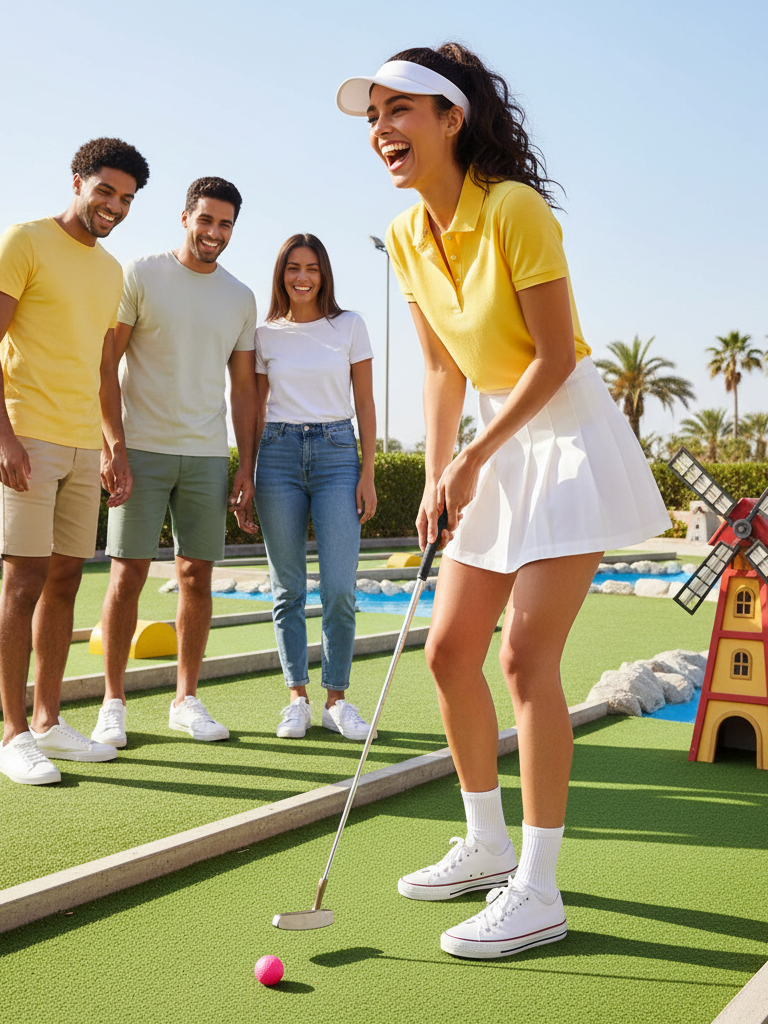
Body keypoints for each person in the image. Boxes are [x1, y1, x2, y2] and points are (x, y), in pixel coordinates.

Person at [337, 44, 670, 958]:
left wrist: (473, 456)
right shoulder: (406, 235)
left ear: (452, 119)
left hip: (561, 435)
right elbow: (443, 368)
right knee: (448, 653)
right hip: (490, 440)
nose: (382, 131)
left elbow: (555, 356)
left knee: (525, 660)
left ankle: (539, 886)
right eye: (373, 117)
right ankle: (484, 843)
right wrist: (440, 468)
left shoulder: (515, 208)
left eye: (400, 111)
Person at [0, 137, 149, 785]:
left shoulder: (112, 270)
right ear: (78, 181)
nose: (114, 206)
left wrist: (114, 447)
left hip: (84, 445)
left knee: (65, 582)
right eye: (106, 191)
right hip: (27, 438)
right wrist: (3, 437)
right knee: (22, 582)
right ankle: (11, 734)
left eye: (126, 198)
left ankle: (49, 720)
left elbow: (100, 369)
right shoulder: (25, 242)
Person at [89, 177, 258, 749]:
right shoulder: (141, 273)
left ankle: (185, 699)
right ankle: (113, 702)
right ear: (185, 217)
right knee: (127, 575)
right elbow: (106, 362)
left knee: (196, 576)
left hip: (206, 454)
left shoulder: (240, 297)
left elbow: (242, 390)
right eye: (206, 220)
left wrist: (245, 464)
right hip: (140, 448)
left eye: (225, 224)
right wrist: (113, 446)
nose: (214, 233)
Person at [255, 234, 377, 741]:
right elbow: (255, 408)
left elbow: (366, 404)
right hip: (277, 455)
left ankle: (337, 700)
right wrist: (248, 472)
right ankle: (297, 699)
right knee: (287, 589)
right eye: (292, 268)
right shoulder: (264, 334)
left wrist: (367, 471)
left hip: (336, 455)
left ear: (324, 273)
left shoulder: (349, 325)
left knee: (340, 588)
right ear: (281, 274)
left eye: (311, 268)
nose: (302, 277)